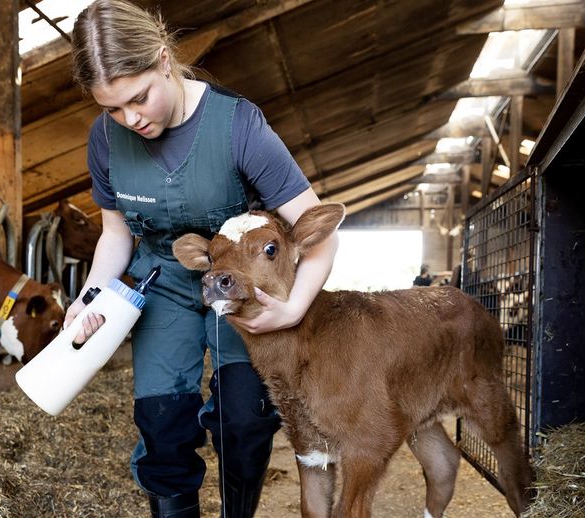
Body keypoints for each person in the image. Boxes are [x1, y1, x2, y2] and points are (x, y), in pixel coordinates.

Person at [66, 2, 339, 516]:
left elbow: (318, 233)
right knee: (162, 423)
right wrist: (87, 298)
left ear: (164, 60)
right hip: (163, 284)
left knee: (245, 421)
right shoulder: (105, 140)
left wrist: (294, 308)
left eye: (139, 98)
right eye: (113, 108)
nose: (131, 119)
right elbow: (114, 234)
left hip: (242, 289)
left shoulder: (238, 126)